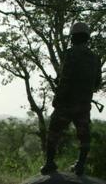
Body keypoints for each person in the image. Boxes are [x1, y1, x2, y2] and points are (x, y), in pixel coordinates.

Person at [41, 23, 102, 176]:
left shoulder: (70, 54)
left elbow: (65, 80)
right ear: (87, 38)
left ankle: (49, 163)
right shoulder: (95, 58)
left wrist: (57, 99)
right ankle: (80, 165)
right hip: (84, 104)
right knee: (84, 136)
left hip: (66, 103)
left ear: (73, 37)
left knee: (54, 132)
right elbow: (97, 83)